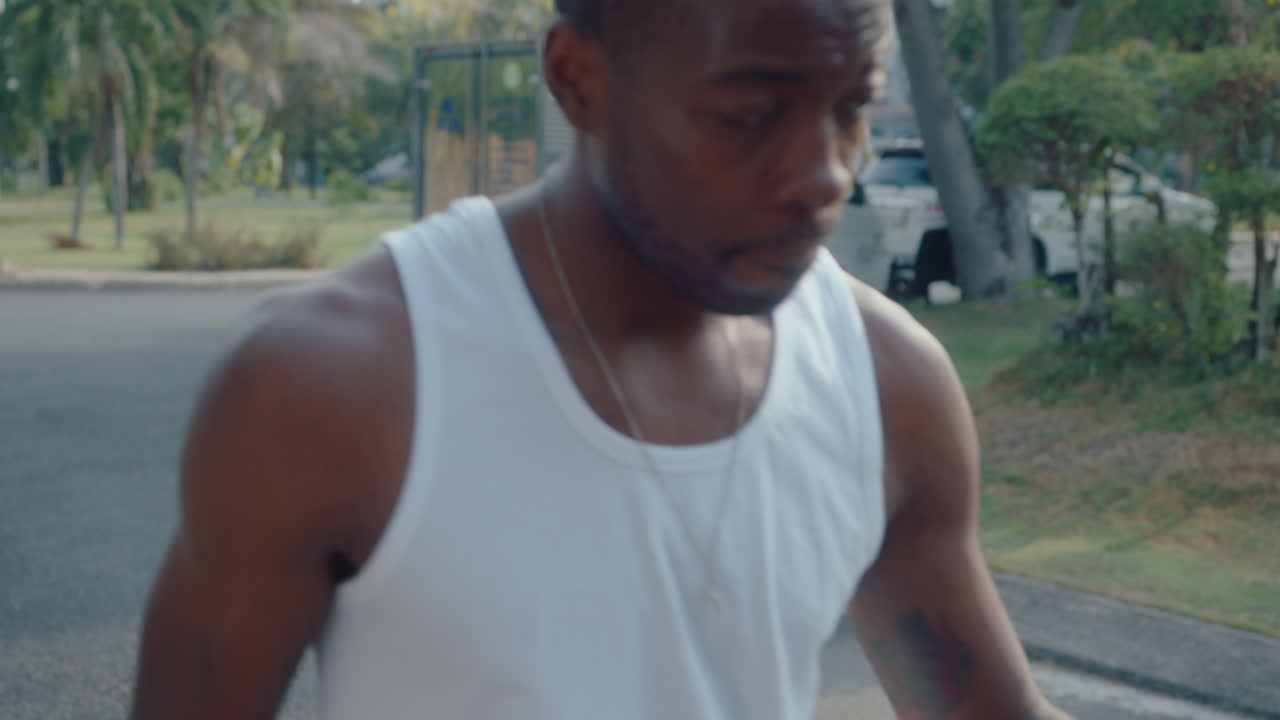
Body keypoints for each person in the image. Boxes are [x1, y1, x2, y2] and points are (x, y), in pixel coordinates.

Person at [129, 0, 1071, 718]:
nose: (825, 171)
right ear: (577, 79)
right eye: (749, 113)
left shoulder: (887, 383)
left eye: (852, 105)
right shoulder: (330, 385)